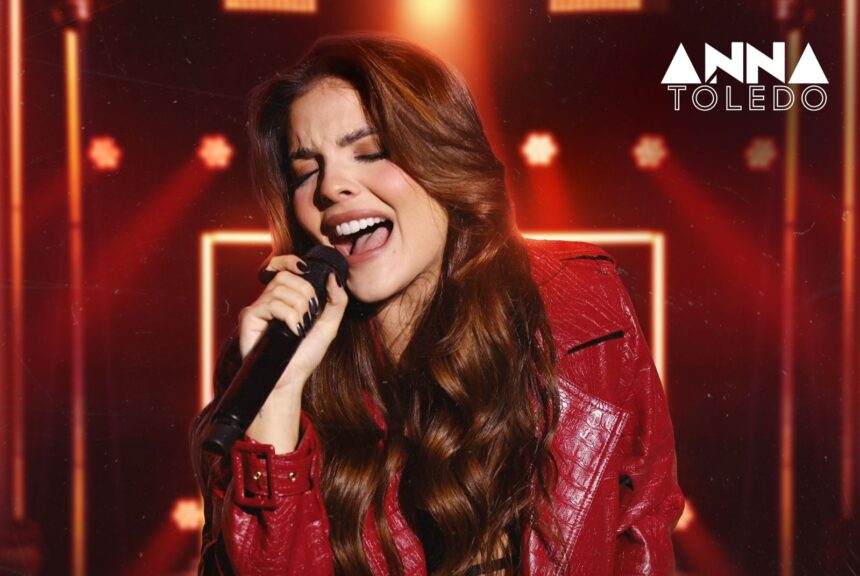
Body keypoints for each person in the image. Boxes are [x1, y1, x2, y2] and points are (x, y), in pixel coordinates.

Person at [190, 33, 684, 576]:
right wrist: (279, 400)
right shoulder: (265, 366)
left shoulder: (579, 303)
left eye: (370, 152)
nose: (331, 187)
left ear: (443, 158)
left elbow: (642, 532)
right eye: (306, 171)